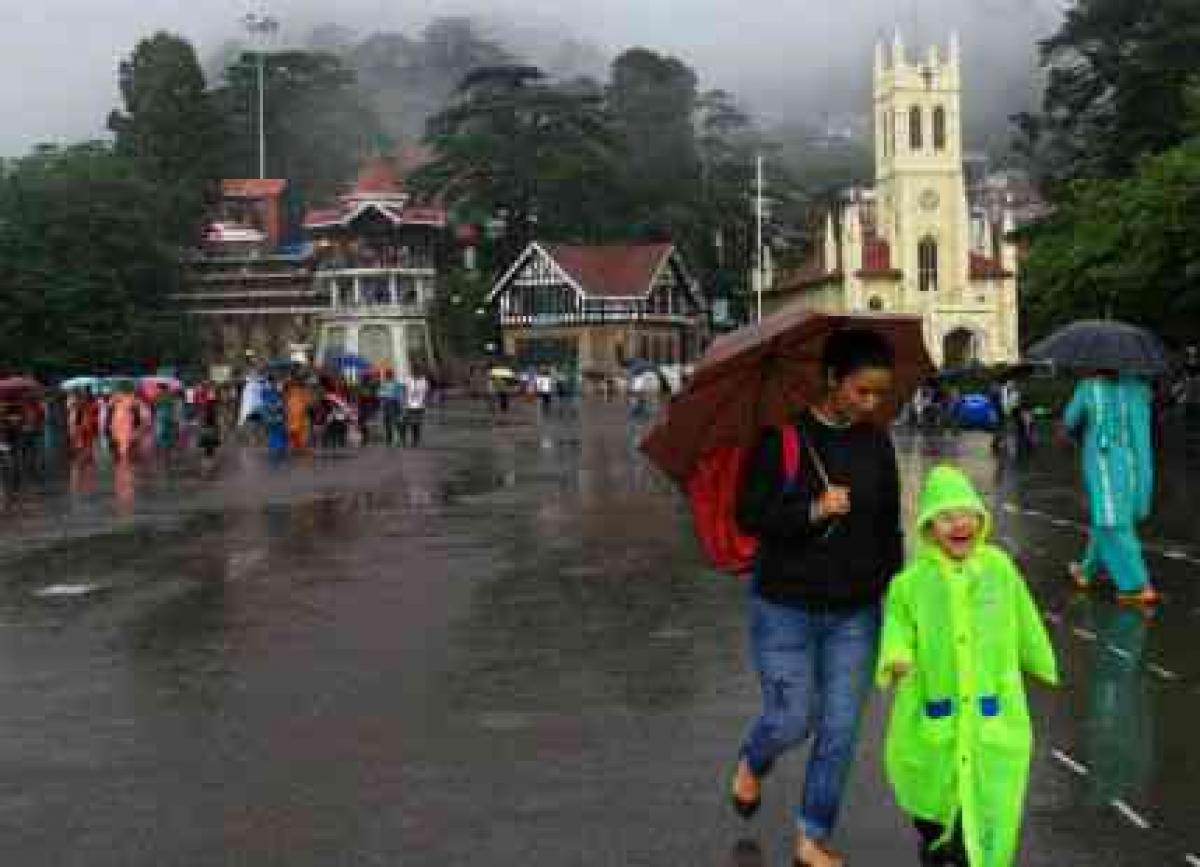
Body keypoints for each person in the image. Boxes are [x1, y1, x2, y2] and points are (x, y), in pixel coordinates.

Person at [732, 328, 903, 867]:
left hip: (856, 612)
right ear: (833, 380)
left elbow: (887, 527)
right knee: (791, 719)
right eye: (862, 391)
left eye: (880, 393)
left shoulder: (876, 440)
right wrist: (813, 510)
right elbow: (750, 516)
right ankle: (753, 759)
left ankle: (813, 836)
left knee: (840, 730)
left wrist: (894, 600)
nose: (872, 403)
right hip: (785, 607)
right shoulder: (780, 439)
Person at [877, 464, 1058, 867]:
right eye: (945, 516)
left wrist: (1039, 658)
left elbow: (1023, 614)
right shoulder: (911, 583)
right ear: (927, 525)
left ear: (980, 518)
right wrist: (896, 655)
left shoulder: (998, 568)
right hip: (936, 713)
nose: (959, 524)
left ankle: (962, 851)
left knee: (986, 802)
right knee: (932, 794)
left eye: (966, 514)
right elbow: (897, 623)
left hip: (988, 713)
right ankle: (935, 841)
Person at [1063, 370, 1159, 606]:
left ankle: (1137, 585)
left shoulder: (1088, 386)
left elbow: (1069, 420)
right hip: (1135, 464)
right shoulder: (1138, 388)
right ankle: (1086, 571)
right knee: (1107, 516)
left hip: (1104, 463)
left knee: (1113, 522)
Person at [401, 367, 430, 447]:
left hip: (419, 406)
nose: (415, 373)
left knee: (416, 424)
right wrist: (403, 401)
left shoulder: (424, 381)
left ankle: (415, 441)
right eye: (414, 371)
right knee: (404, 423)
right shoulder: (408, 380)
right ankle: (403, 440)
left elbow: (427, 393)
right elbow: (403, 390)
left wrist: (425, 403)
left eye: (417, 371)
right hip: (408, 405)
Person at [379, 370, 407, 446]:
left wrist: (402, 403)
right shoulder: (384, 384)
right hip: (387, 404)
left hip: (394, 403)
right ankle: (390, 440)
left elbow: (402, 391)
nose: (387, 376)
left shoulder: (396, 383)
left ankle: (401, 439)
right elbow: (380, 394)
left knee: (395, 422)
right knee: (388, 422)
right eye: (387, 374)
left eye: (388, 374)